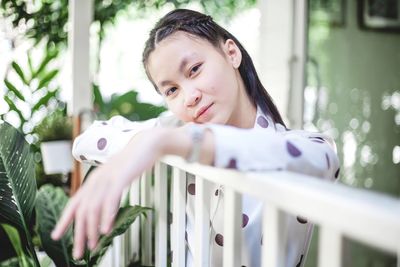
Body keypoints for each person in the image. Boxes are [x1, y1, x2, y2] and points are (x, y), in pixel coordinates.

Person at [52, 9, 340, 267]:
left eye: (194, 70)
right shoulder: (177, 127)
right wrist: (147, 141)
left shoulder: (296, 146)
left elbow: (324, 157)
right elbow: (87, 141)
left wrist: (169, 142)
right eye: (172, 90)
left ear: (231, 53)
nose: (190, 96)